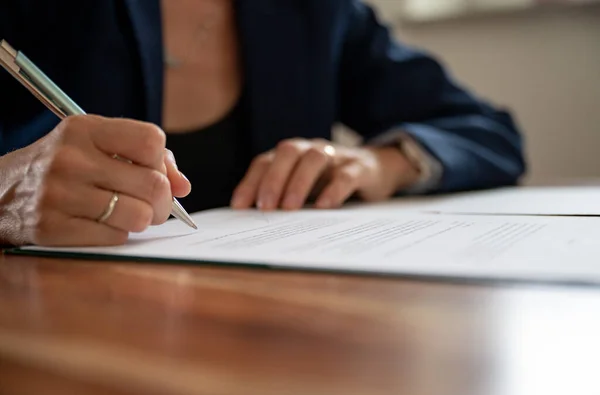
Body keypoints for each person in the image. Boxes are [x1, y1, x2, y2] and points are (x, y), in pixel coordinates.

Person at [0, 0, 525, 247]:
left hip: (269, 336)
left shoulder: (314, 12)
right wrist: (6, 193)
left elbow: (488, 132)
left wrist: (379, 164)